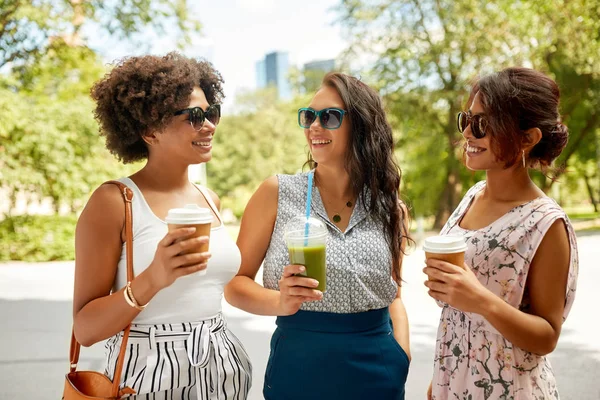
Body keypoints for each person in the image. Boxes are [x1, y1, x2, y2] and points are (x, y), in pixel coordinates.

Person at [72, 52, 252, 400]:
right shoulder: (114, 202)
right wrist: (154, 277)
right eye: (194, 116)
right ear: (149, 131)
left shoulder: (209, 199)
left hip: (221, 365)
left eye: (211, 112)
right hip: (147, 372)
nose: (210, 125)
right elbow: (85, 329)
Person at [224, 72, 411, 400]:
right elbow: (234, 284)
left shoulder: (390, 207)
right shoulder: (276, 193)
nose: (314, 125)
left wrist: (402, 355)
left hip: (379, 370)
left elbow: (394, 294)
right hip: (299, 367)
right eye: (309, 116)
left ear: (362, 125)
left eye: (329, 116)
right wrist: (280, 301)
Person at [424, 67, 579, 399]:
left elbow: (547, 336)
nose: (468, 132)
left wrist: (479, 299)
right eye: (466, 119)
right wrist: (438, 382)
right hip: (453, 383)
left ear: (527, 138)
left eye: (483, 124)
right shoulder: (472, 197)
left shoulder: (546, 223)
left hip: (508, 389)